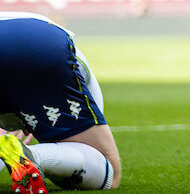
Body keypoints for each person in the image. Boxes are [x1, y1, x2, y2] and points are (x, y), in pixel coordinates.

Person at [0, 12, 120, 191]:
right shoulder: (85, 82)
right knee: (109, 169)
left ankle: (27, 156)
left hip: (34, 41)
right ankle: (33, 157)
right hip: (37, 41)